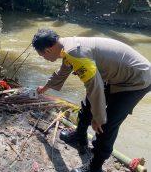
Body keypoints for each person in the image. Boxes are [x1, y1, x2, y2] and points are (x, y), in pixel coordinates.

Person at [32, 29, 151, 172]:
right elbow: (62, 73)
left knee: (107, 124)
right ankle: (80, 136)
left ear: (47, 50)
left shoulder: (75, 53)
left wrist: (98, 117)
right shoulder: (66, 47)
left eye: (41, 55)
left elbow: (96, 88)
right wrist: (45, 87)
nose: (43, 59)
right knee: (88, 104)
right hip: (118, 75)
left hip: (136, 80)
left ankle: (95, 167)